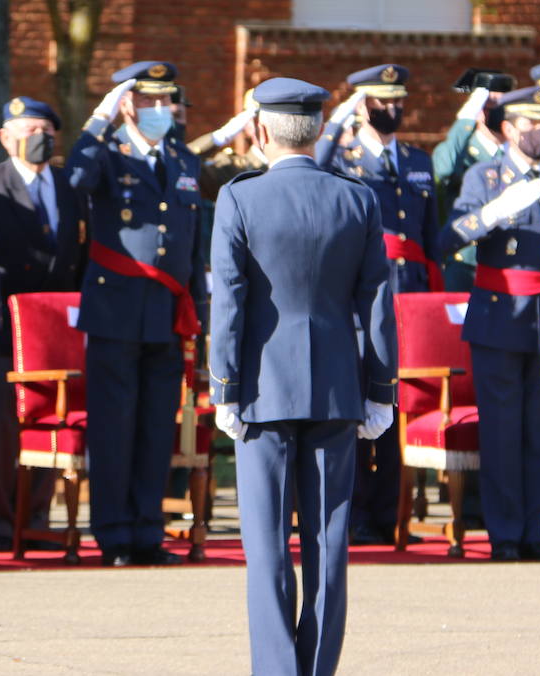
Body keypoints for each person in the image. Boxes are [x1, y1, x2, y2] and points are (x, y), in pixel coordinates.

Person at [209, 77, 397, 676]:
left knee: (265, 545)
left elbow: (230, 304)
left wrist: (224, 386)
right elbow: (376, 304)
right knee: (327, 544)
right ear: (318, 131)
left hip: (262, 387)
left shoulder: (239, 198)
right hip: (338, 386)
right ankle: (316, 667)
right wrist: (381, 389)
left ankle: (275, 670)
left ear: (262, 130)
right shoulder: (358, 197)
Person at [66, 60, 206, 567]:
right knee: (114, 427)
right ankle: (114, 533)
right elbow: (76, 177)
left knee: (154, 429)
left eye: (167, 100)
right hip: (116, 309)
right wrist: (98, 120)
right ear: (127, 104)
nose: (161, 109)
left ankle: (148, 530)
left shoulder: (183, 160)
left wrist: (201, 322)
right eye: (149, 100)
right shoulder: (107, 153)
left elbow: (193, 248)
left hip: (167, 313)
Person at [439, 85, 540, 560]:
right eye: (529, 124)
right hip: (499, 315)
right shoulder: (485, 177)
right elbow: (449, 236)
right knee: (501, 433)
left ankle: (534, 533)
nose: (538, 131)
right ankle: (504, 536)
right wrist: (491, 215)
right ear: (508, 129)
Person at [315, 64, 439, 544]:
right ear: (362, 105)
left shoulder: (416, 160)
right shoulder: (341, 158)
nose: (393, 109)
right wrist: (336, 122)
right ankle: (354, 514)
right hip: (359, 298)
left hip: (409, 298)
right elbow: (315, 171)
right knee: (356, 406)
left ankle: (388, 514)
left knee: (396, 407)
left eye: (398, 100)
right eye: (382, 101)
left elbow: (428, 235)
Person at [0, 96, 87, 551]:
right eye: (27, 130)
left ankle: (38, 515)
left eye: (45, 130)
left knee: (51, 418)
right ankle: (3, 523)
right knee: (3, 428)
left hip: (57, 328)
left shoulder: (70, 185)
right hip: (7, 325)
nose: (38, 138)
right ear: (6, 138)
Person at [433, 69, 515, 291]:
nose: (501, 110)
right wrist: (466, 120)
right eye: (492, 103)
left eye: (505, 102)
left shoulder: (516, 153)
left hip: (509, 264)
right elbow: (444, 168)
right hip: (467, 263)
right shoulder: (462, 152)